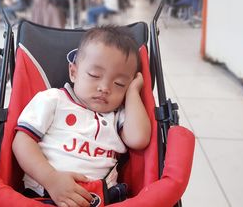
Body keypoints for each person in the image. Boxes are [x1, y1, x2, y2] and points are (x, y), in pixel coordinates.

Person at [12, 26, 151, 207]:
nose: (105, 87)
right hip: (45, 192)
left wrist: (133, 92)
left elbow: (139, 139)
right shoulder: (54, 99)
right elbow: (22, 142)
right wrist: (51, 179)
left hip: (103, 197)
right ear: (74, 72)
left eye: (119, 83)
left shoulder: (117, 115)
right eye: (94, 75)